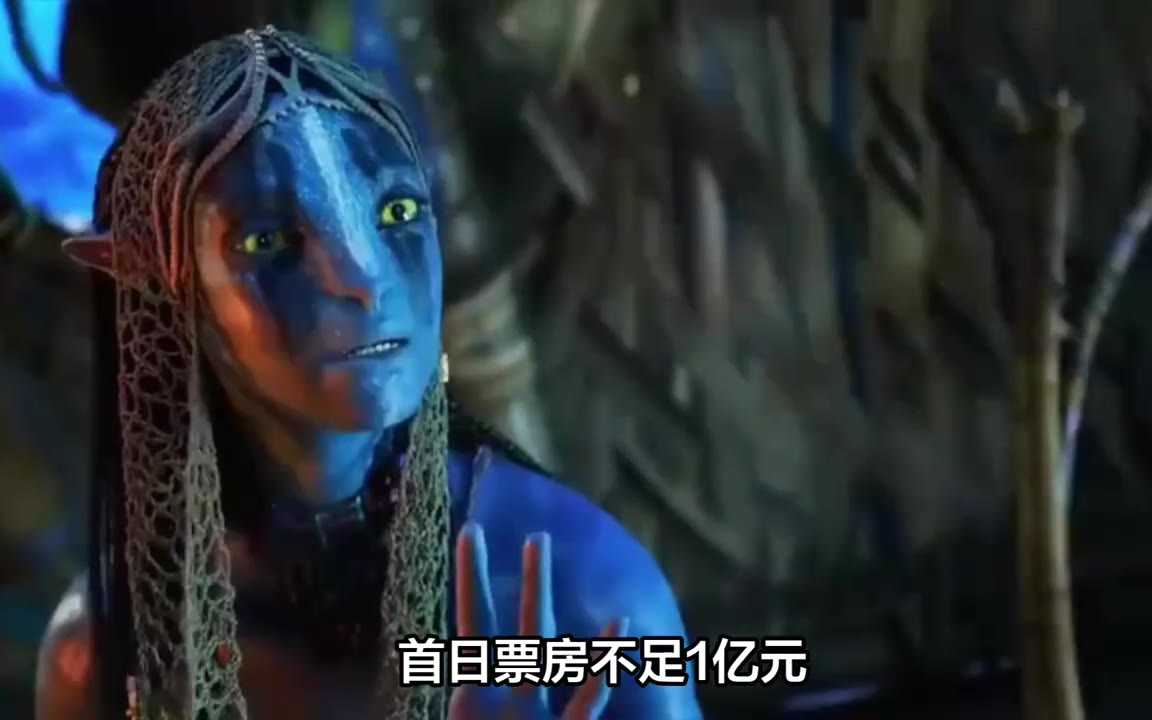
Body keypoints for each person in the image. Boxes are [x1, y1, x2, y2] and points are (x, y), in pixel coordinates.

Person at [34, 27, 701, 720]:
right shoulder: (108, 652)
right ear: (159, 281)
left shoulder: (584, 594)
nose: (363, 276)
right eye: (268, 240)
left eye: (397, 211)